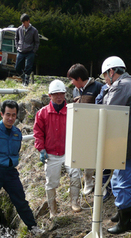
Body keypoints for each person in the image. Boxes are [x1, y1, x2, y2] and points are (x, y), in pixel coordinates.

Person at [100, 56, 131, 234]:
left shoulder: (120, 86)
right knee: (119, 179)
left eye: (105, 76)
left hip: (128, 144)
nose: (105, 80)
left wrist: (106, 91)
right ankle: (121, 213)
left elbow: (108, 111)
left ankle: (125, 222)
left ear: (112, 72)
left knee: (122, 182)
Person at [0, 100, 41, 234]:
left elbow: (16, 151)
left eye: (13, 115)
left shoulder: (17, 133)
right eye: (8, 114)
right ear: (1, 114)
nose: (11, 118)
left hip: (10, 172)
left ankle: (33, 228)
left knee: (20, 201)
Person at [33, 79, 82, 218]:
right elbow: (38, 133)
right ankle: (53, 210)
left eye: (61, 94)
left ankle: (75, 202)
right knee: (51, 182)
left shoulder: (72, 111)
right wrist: (41, 149)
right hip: (51, 153)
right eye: (56, 94)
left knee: (75, 174)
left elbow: (78, 129)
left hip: (69, 151)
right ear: (50, 96)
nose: (59, 97)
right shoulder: (42, 113)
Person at [67, 63, 103, 196]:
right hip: (81, 129)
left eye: (72, 79)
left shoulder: (98, 87)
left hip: (95, 128)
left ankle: (92, 183)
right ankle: (86, 181)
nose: (71, 83)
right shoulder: (75, 91)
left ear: (79, 78)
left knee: (94, 156)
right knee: (81, 156)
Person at [15, 13, 40, 86]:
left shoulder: (34, 30)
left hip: (30, 51)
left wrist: (34, 50)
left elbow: (37, 42)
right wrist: (17, 47)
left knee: (28, 67)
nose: (23, 24)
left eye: (24, 22)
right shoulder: (19, 29)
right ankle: (23, 77)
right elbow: (16, 38)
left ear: (28, 21)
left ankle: (26, 81)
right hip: (20, 50)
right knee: (17, 67)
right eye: (22, 22)